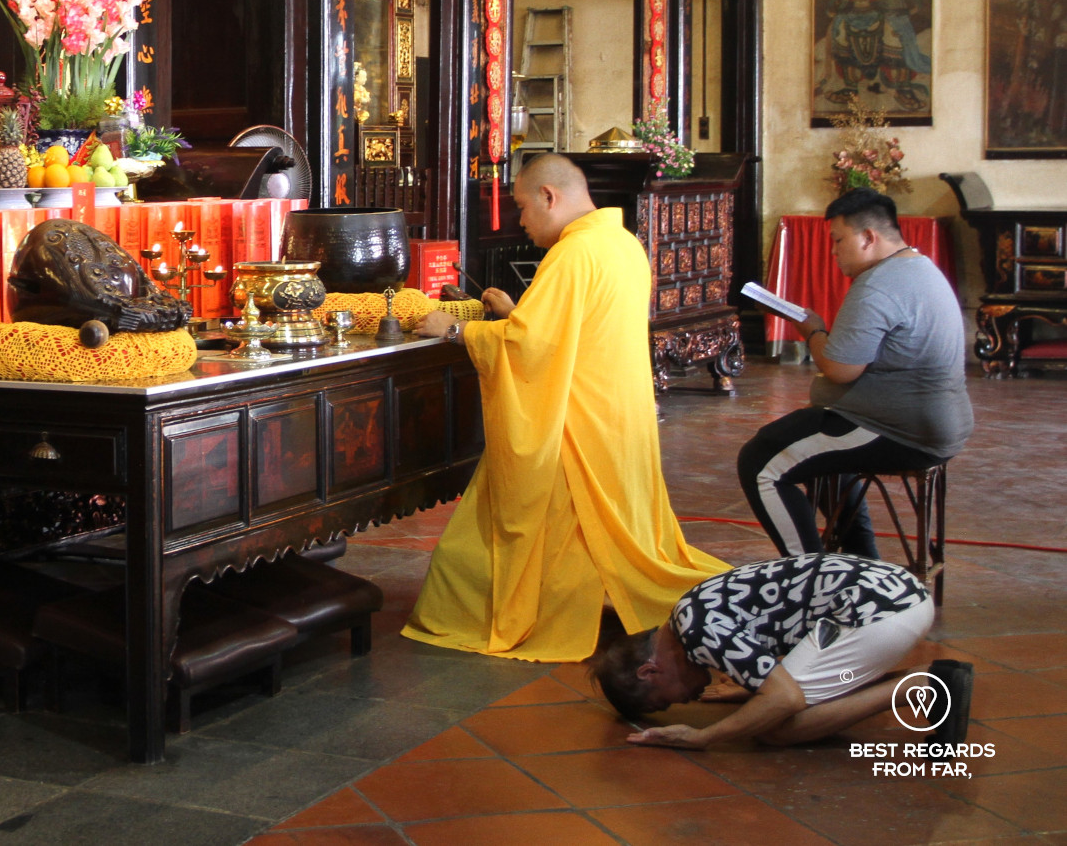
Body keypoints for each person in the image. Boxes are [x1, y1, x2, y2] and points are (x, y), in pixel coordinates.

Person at [404, 154, 727, 662]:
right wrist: (518, 313)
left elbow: (532, 347)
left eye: (521, 206)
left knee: (500, 537)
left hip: (573, 421)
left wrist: (455, 329)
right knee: (618, 532)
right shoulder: (621, 243)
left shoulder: (573, 253)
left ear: (549, 197)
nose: (520, 220)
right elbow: (571, 329)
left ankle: (527, 612)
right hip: (617, 413)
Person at [740, 189, 973, 558]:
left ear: (868, 237)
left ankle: (808, 575)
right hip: (933, 421)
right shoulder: (920, 267)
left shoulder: (878, 284)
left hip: (900, 429)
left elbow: (840, 369)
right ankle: (862, 561)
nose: (833, 252)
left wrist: (812, 329)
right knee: (813, 445)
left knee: (760, 461)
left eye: (838, 240)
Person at [589, 553, 971, 751]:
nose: (683, 702)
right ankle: (929, 681)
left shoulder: (697, 630)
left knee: (777, 726)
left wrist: (703, 737)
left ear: (649, 671)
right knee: (770, 704)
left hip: (878, 613)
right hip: (898, 594)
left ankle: (927, 685)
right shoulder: (688, 612)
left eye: (663, 702)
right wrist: (753, 688)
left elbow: (785, 697)